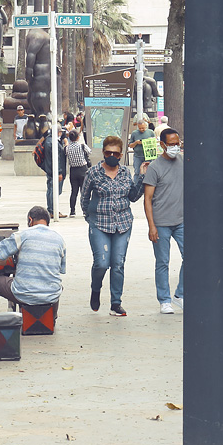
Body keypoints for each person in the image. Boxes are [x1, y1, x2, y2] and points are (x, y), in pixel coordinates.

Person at [0, 206, 66, 332]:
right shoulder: (60, 239)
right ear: (47, 221)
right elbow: (60, 270)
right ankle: (50, 319)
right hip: (51, 296)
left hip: (24, 294)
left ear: (30, 220)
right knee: (56, 285)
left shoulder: (23, 235)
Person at [82, 135, 146, 316]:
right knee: (102, 263)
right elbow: (85, 197)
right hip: (99, 223)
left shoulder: (125, 173)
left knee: (118, 263)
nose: (111, 155)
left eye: (115, 153)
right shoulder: (93, 172)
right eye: (108, 152)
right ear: (103, 153)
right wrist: (89, 217)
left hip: (123, 224)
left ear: (120, 155)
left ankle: (116, 303)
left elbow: (133, 196)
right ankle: (96, 289)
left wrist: (141, 176)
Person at [143, 127, 184, 314]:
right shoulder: (155, 168)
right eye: (172, 144)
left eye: (178, 143)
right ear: (162, 145)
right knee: (162, 262)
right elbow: (147, 199)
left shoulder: (183, 161)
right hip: (161, 223)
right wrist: (151, 225)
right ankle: (164, 300)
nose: (175, 147)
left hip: (182, 221)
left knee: (191, 257)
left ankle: (180, 294)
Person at [60, 130, 92, 219]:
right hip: (83, 170)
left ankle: (72, 211)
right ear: (78, 137)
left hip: (73, 171)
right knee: (84, 192)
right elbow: (89, 152)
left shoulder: (67, 148)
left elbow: (64, 154)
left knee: (74, 192)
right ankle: (85, 210)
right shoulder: (82, 146)